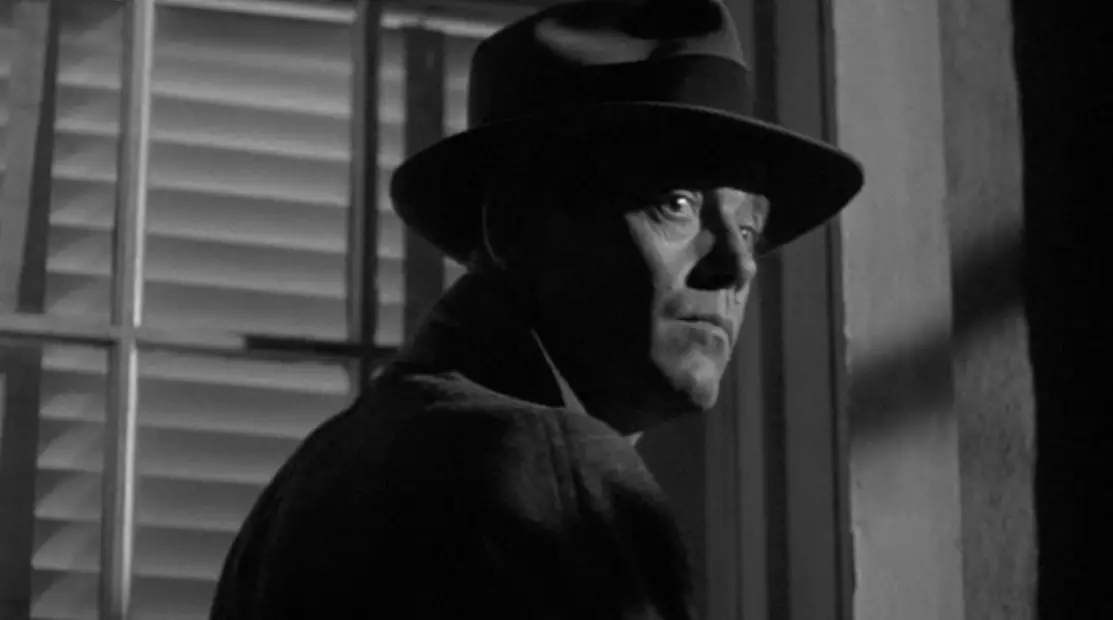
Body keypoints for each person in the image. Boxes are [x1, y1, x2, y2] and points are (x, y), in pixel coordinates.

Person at [210, 1, 863, 618]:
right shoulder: (550, 472)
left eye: (748, 229)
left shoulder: (311, 480)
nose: (737, 265)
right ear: (516, 224)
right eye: (676, 205)